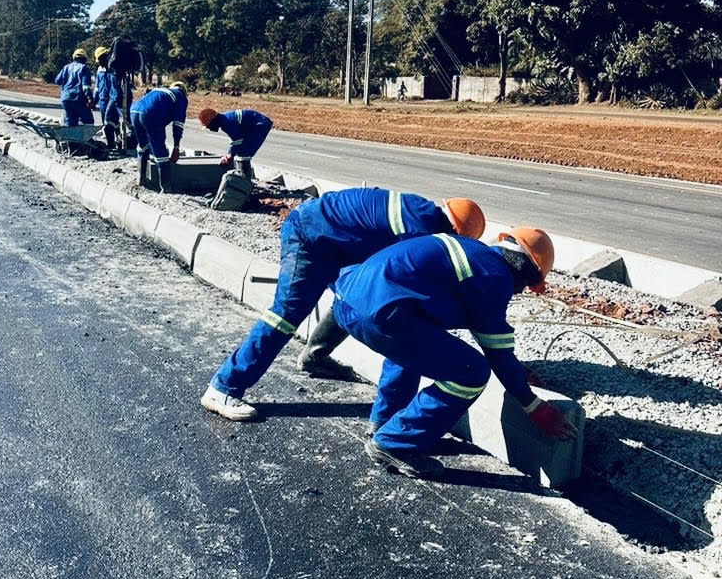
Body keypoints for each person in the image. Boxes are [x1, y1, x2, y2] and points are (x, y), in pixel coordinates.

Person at [200, 190, 485, 420]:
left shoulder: (421, 214)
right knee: (285, 316)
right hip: (310, 236)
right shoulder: (421, 229)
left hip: (338, 241)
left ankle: (316, 357)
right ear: (455, 232)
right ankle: (223, 387)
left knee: (358, 299)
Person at [331, 225, 575, 475]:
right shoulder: (495, 276)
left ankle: (384, 422)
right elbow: (496, 353)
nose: (520, 292)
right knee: (472, 372)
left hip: (349, 301)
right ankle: (395, 444)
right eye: (528, 285)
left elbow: (490, 339)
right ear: (526, 270)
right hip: (380, 316)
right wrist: (534, 406)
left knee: (411, 349)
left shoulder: (475, 254)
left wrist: (514, 368)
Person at [130, 82, 188, 191]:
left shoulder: (161, 91)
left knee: (143, 146)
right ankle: (166, 188)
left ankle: (141, 180)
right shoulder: (180, 97)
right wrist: (176, 147)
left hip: (134, 110)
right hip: (150, 113)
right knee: (160, 152)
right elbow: (178, 124)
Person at [198, 107, 273, 174]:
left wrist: (229, 156)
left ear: (213, 121)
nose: (209, 128)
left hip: (260, 125)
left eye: (208, 125)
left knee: (244, 153)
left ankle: (245, 180)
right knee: (241, 151)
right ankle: (243, 175)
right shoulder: (225, 119)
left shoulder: (227, 122)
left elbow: (237, 141)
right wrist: (230, 154)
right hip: (256, 124)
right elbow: (235, 140)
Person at [54, 49, 94, 126]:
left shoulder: (66, 68)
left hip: (66, 99)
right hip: (79, 99)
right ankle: (86, 137)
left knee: (70, 121)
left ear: (74, 58)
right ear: (85, 59)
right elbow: (85, 86)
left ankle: (71, 137)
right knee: (88, 121)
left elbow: (57, 81)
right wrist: (90, 99)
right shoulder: (84, 68)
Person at [94, 45, 123, 150]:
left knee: (114, 123)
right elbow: (97, 87)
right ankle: (110, 143)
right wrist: (94, 100)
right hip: (103, 100)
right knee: (106, 124)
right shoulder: (99, 70)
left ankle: (119, 142)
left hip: (112, 99)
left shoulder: (113, 68)